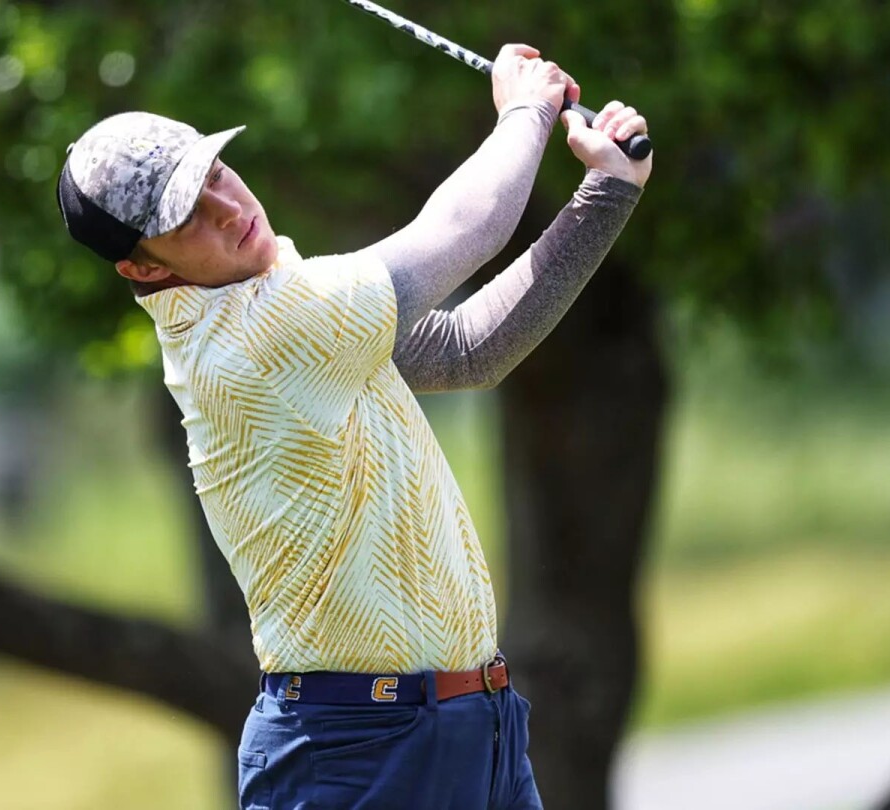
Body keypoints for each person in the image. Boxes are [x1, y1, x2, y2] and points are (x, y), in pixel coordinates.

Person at [56, 43, 649, 810]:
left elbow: (470, 349)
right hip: (361, 753)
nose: (230, 211)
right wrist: (526, 111)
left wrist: (607, 192)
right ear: (143, 268)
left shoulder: (290, 298)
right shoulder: (260, 334)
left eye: (217, 176)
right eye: (189, 218)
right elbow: (466, 228)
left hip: (472, 726)